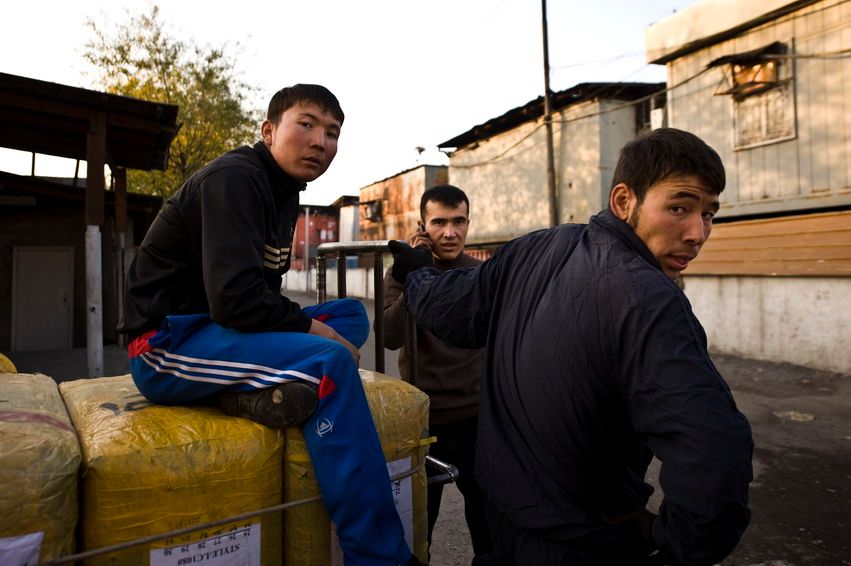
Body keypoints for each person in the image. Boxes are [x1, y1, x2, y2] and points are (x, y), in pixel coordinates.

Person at [387, 128, 754, 565]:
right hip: (580, 541)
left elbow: (447, 308)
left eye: (709, 214)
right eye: (679, 207)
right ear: (624, 201)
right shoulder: (650, 299)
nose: (697, 232)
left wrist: (418, 274)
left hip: (509, 522)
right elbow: (713, 455)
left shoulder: (534, 249)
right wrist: (676, 547)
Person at [118, 84, 417, 566]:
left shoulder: (282, 191)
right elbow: (237, 300)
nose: (320, 141)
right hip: (167, 345)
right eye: (307, 124)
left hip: (217, 329)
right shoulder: (235, 179)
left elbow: (261, 296)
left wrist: (312, 327)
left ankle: (241, 393)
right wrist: (314, 334)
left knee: (347, 315)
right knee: (331, 359)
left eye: (332, 133)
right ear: (269, 131)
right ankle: (380, 556)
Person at [382, 185, 493, 561]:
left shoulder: (483, 273)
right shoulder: (403, 272)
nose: (450, 233)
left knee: (489, 527)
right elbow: (390, 337)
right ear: (422, 226)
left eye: (459, 221)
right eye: (439, 222)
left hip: (478, 418)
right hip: (423, 421)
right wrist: (416, 276)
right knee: (418, 529)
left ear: (468, 223)